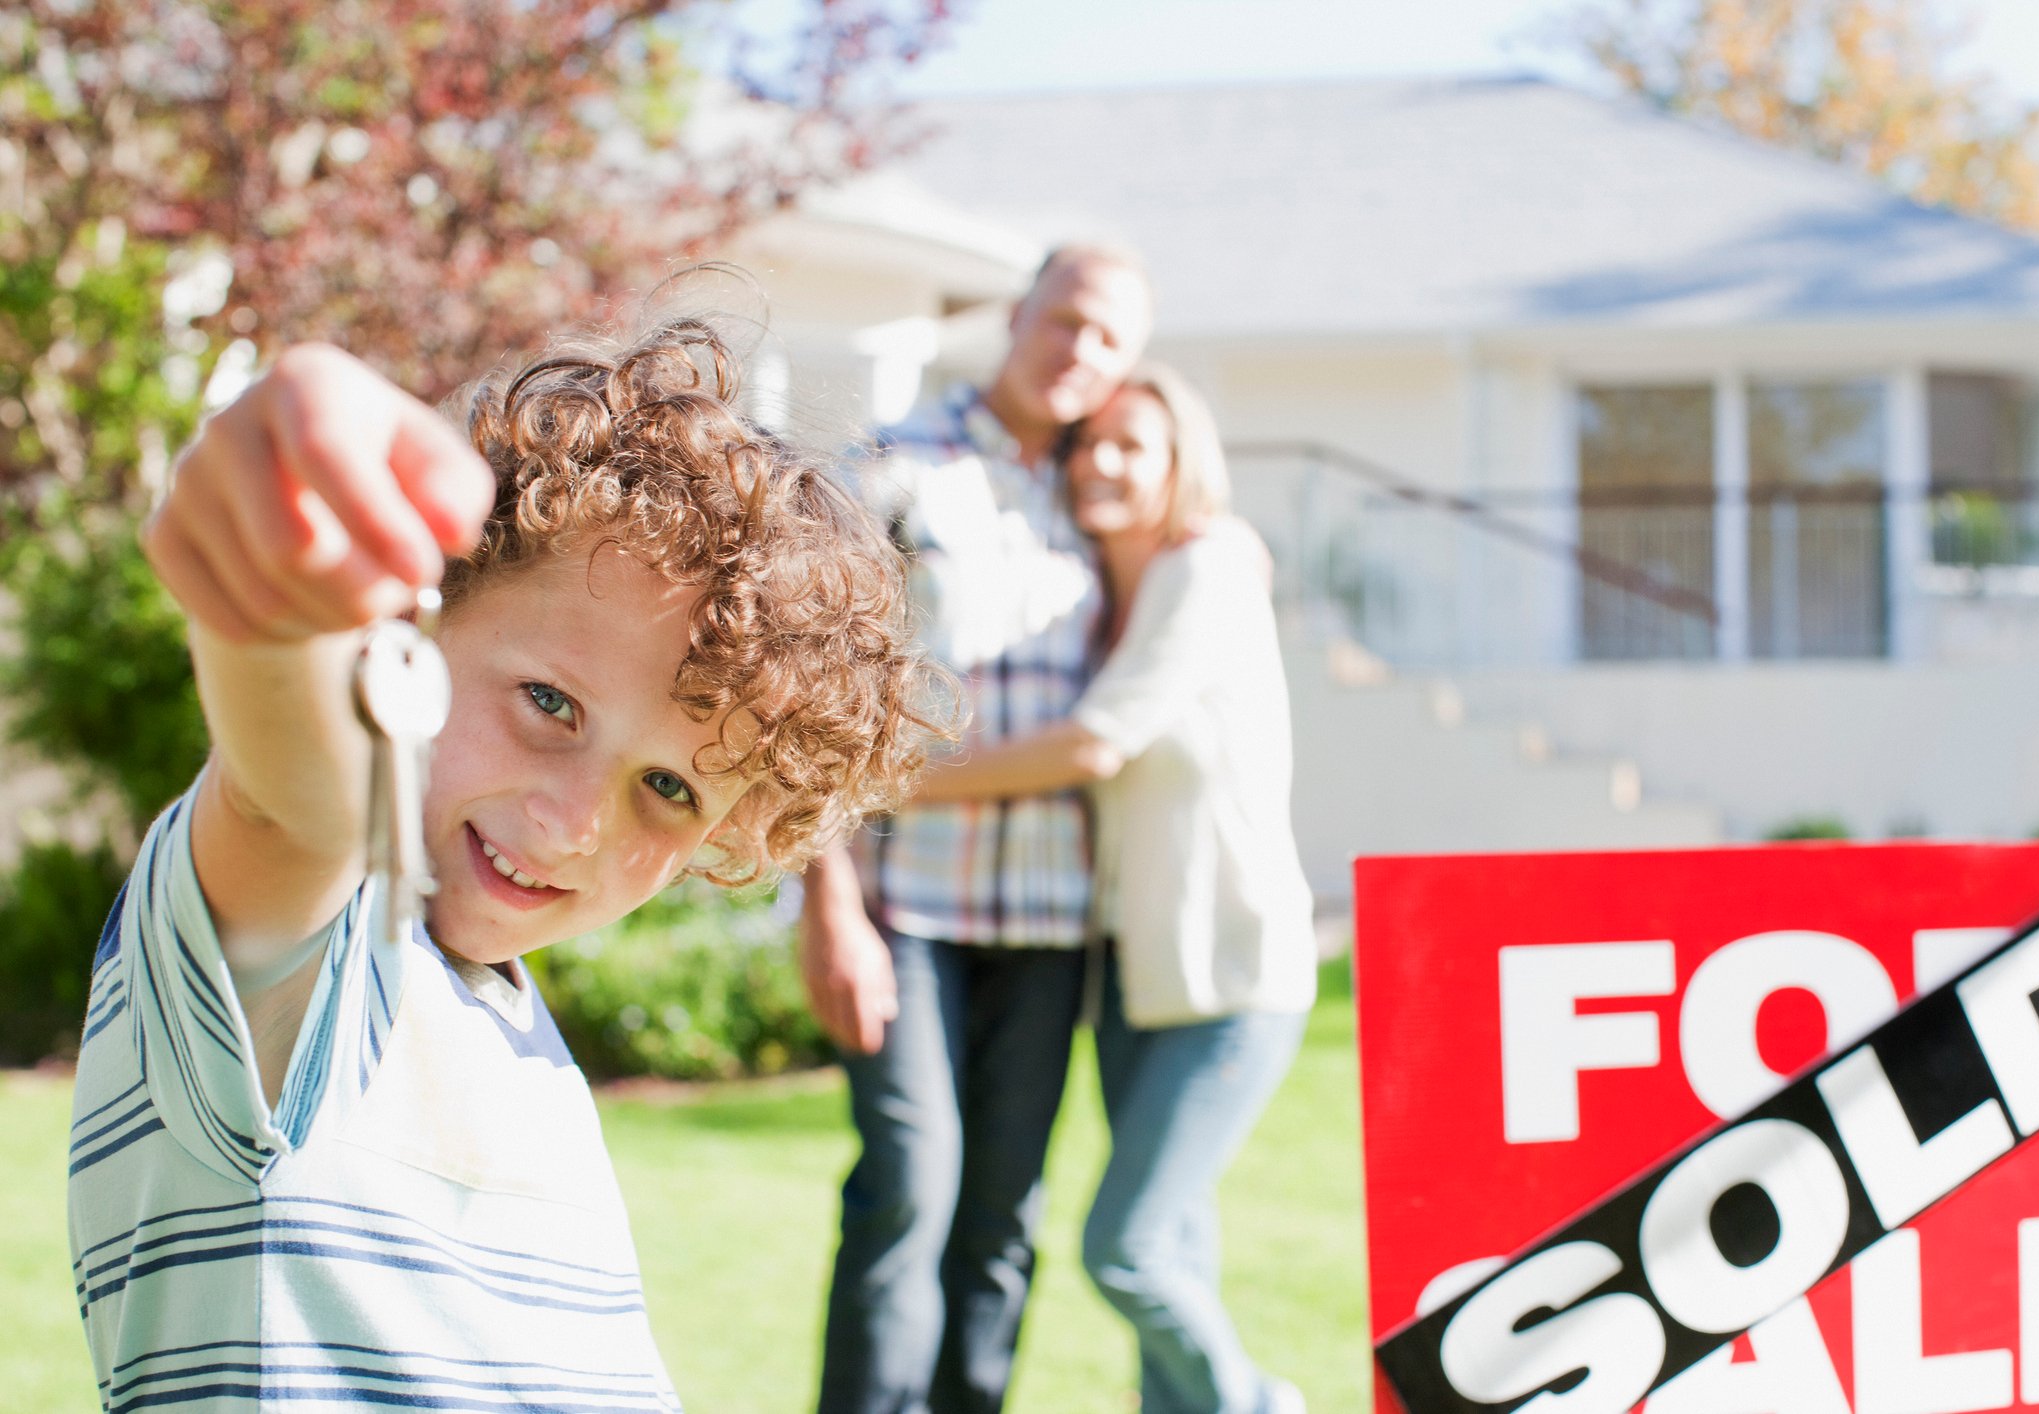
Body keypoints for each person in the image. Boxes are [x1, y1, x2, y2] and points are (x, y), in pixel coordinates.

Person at [68, 313, 938, 1410]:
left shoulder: (501, 1024)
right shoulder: (318, 963)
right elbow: (288, 799)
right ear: (414, 631)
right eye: (548, 703)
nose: (576, 819)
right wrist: (281, 567)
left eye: (668, 789)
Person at [914, 365, 1317, 1414]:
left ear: (1186, 460)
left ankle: (1254, 1401)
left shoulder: (1211, 563)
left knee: (1128, 1248)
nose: (1102, 461)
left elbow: (1094, 744)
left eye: (1134, 445)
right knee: (1179, 1243)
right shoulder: (1105, 597)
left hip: (1233, 972)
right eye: (1090, 443)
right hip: (1138, 974)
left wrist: (897, 779)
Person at [802, 245, 1154, 1413]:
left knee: (1004, 1219)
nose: (1080, 353)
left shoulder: (1106, 496)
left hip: (1054, 923)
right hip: (907, 908)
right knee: (909, 1188)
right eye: (1066, 322)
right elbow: (813, 698)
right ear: (1018, 316)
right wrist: (829, 906)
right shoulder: (895, 468)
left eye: (1110, 339)